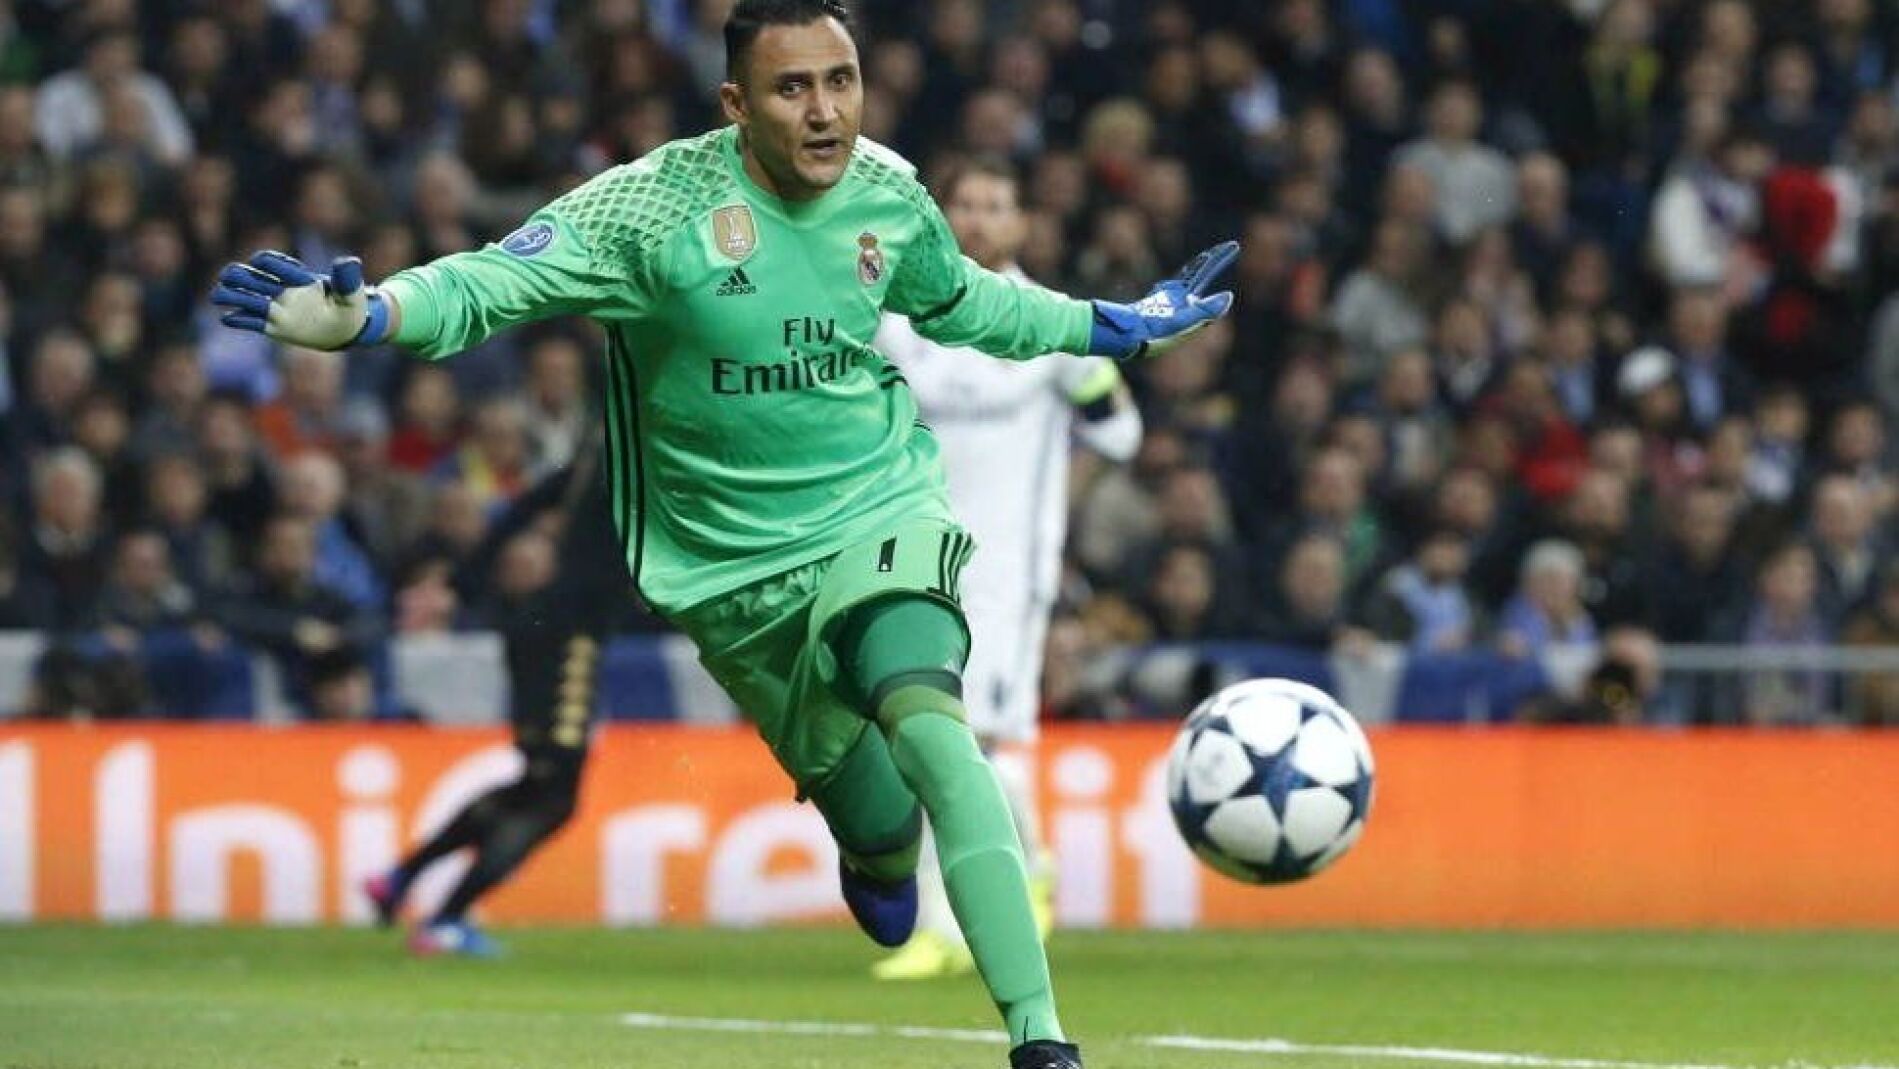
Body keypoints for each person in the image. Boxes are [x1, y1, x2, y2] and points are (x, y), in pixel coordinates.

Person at [210, 2, 1234, 1065]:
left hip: (881, 505)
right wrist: (372, 313)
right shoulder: (651, 211)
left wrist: (1117, 324)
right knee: (884, 837)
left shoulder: (886, 191)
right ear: (737, 104)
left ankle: (1040, 1038)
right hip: (733, 575)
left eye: (841, 81)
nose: (826, 111)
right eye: (794, 88)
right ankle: (873, 848)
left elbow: (967, 302)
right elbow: (492, 281)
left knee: (935, 727)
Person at [871, 156, 1142, 981]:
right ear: (941, 215)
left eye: (995, 205)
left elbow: (1117, 429)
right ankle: (1015, 875)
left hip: (1002, 573)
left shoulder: (1048, 323)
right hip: (909, 558)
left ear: (1021, 223)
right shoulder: (895, 322)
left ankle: (959, 917)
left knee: (970, 738)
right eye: (966, 203)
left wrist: (1048, 513)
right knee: (920, 735)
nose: (979, 218)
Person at [363, 431, 633, 957]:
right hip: (569, 637)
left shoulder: (602, 456)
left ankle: (401, 879)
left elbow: (521, 508)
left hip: (543, 622)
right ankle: (445, 920)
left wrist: (465, 583)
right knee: (554, 798)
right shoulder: (650, 458)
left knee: (536, 784)